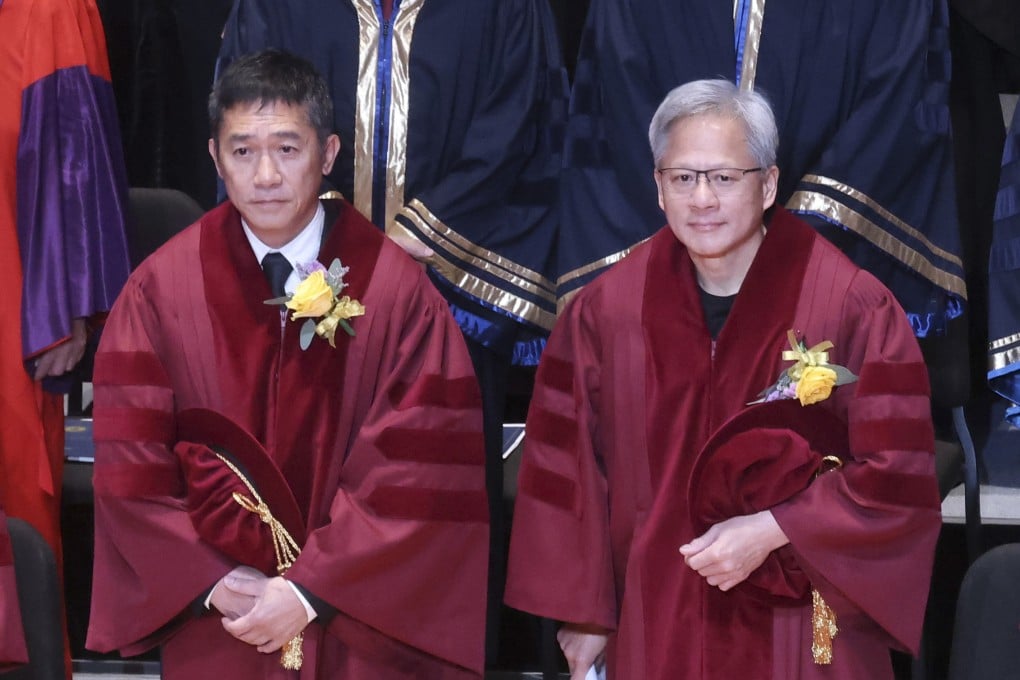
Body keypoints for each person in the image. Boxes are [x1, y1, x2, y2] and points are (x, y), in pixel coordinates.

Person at [505, 80, 942, 680]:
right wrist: (585, 615)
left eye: (725, 177)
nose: (702, 198)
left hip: (797, 621)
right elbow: (570, 471)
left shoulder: (850, 306)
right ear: (657, 188)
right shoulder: (606, 312)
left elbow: (899, 477)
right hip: (656, 615)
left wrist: (776, 528)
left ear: (767, 185)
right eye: (683, 178)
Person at [86, 49, 489, 679]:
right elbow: (131, 468)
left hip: (358, 619)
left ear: (329, 154)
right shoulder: (159, 293)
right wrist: (213, 581)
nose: (266, 175)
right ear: (215, 158)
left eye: (288, 149)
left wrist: (310, 591)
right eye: (243, 152)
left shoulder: (394, 292)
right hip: (224, 617)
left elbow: (416, 469)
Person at [216, 1, 568, 662]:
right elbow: (250, 112)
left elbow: (519, 117)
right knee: (304, 499)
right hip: (305, 287)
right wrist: (326, 245)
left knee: (435, 509)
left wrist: (414, 243)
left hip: (451, 294)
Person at [556, 0, 965, 342]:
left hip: (832, 256)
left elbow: (895, 100)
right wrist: (696, 209)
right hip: (671, 266)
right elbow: (621, 90)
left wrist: (789, 238)